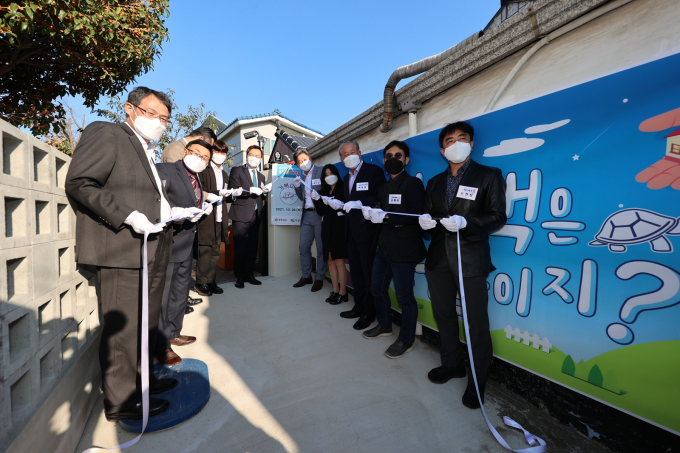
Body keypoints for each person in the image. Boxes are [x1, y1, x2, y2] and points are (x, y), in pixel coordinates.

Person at [65, 86, 190, 421]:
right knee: (123, 327)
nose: (159, 122)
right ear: (130, 109)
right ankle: (120, 400)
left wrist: (171, 214)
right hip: (123, 246)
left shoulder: (147, 149)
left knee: (145, 324)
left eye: (164, 118)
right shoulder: (108, 133)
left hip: (155, 243)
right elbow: (80, 182)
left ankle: (141, 382)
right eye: (152, 114)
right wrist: (127, 215)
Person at [418, 121, 507, 409]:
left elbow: (498, 217)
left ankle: (477, 381)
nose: (456, 144)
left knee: (475, 322)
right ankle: (452, 364)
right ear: (443, 150)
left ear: (471, 143)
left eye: (462, 138)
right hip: (438, 260)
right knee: (444, 316)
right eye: (449, 140)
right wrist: (426, 223)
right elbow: (432, 217)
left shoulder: (489, 175)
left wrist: (468, 222)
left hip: (470, 259)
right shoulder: (434, 182)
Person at [361, 141, 426, 359]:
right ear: (384, 160)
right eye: (388, 156)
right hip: (383, 246)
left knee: (405, 297)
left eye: (398, 155)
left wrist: (387, 217)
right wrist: (374, 212)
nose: (393, 159)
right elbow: (382, 209)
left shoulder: (413, 184)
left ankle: (406, 340)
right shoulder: (382, 187)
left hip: (404, 248)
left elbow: (416, 215)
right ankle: (385, 326)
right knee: (376, 288)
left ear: (406, 160)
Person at [155, 140, 215, 366]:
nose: (201, 159)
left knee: (180, 292)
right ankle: (161, 347)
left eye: (205, 158)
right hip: (168, 243)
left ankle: (174, 333)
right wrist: (174, 212)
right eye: (197, 153)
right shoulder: (167, 169)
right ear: (185, 152)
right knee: (163, 296)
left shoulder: (196, 178)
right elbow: (155, 201)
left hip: (187, 243)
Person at [327, 140, 386, 330]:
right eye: (345, 154)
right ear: (341, 158)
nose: (349, 155)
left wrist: (361, 203)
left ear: (359, 153)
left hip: (367, 231)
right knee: (357, 273)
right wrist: (336, 203)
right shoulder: (346, 178)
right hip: (351, 232)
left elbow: (380, 197)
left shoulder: (373, 171)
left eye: (352, 151)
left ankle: (370, 312)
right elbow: (346, 202)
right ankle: (359, 306)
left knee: (369, 274)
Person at [195, 140, 235, 296]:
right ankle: (201, 282)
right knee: (205, 250)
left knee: (215, 252)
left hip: (220, 216)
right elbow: (201, 191)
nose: (220, 155)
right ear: (212, 152)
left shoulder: (224, 173)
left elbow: (226, 195)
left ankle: (211, 281)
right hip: (207, 216)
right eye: (217, 151)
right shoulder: (204, 169)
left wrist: (233, 194)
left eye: (223, 152)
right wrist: (219, 193)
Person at [228, 145, 272, 288]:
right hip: (241, 214)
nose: (254, 157)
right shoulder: (237, 170)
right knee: (241, 247)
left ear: (260, 158)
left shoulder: (260, 176)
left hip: (256, 214)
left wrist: (264, 191)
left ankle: (249, 274)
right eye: (251, 154)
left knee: (253, 247)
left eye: (257, 155)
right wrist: (248, 191)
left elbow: (259, 194)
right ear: (247, 156)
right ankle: (239, 277)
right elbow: (233, 189)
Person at [292, 149, 326, 292]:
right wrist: (297, 187)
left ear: (310, 158)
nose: (302, 163)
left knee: (321, 248)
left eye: (304, 159)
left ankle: (319, 278)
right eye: (299, 162)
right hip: (306, 215)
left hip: (319, 215)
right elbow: (302, 197)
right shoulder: (302, 177)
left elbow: (328, 190)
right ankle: (306, 276)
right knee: (303, 246)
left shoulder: (322, 171)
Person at [318, 164, 349, 305]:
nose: (329, 176)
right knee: (330, 260)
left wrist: (339, 205)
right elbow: (320, 212)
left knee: (339, 261)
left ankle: (343, 292)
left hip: (339, 228)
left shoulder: (344, 188)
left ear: (336, 174)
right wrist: (316, 199)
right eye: (326, 174)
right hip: (326, 228)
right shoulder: (323, 191)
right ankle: (335, 290)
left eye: (331, 173)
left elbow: (348, 207)